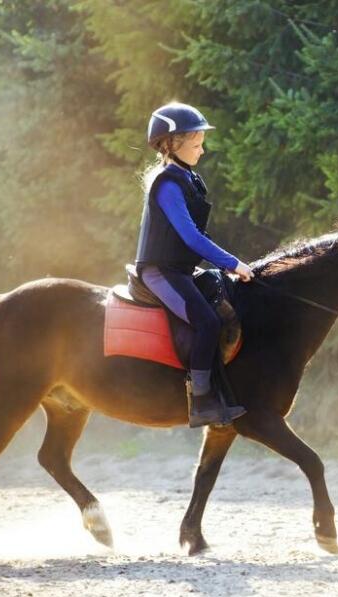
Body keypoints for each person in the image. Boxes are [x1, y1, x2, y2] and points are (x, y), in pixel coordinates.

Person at [135, 102, 252, 427]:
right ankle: (201, 401)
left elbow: (198, 235)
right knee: (207, 323)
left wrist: (225, 268)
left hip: (181, 269)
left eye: (202, 143)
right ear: (173, 144)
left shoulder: (189, 178)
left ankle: (223, 389)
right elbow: (191, 238)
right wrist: (233, 263)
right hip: (160, 271)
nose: (202, 150)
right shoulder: (168, 185)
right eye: (197, 144)